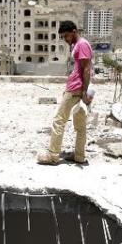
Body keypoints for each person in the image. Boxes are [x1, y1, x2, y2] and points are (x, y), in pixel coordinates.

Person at [37, 21, 93, 165]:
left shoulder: (82, 44)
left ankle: (53, 155)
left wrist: (85, 91)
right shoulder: (77, 45)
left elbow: (86, 69)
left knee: (59, 120)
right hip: (78, 87)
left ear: (74, 31)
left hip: (76, 88)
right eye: (63, 37)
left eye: (66, 36)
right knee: (80, 123)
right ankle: (79, 156)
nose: (65, 39)